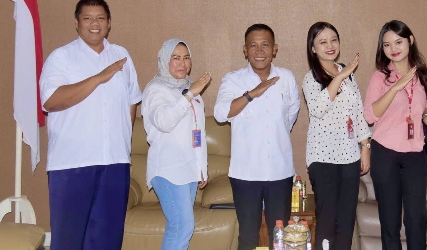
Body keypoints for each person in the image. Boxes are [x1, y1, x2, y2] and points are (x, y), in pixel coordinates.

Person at [39, 0, 142, 250]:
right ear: (77, 23)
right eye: (87, 18)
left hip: (114, 163)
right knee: (69, 241)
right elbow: (51, 101)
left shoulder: (121, 55)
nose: (94, 24)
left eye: (100, 18)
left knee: (108, 240)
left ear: (109, 23)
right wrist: (99, 77)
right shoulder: (61, 57)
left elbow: (132, 101)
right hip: (72, 165)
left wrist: (122, 143)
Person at [214, 24, 301, 250]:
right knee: (248, 236)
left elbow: (290, 117)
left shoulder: (287, 78)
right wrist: (252, 94)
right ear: (245, 50)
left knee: (279, 236)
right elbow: (221, 113)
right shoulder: (233, 80)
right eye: (253, 45)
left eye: (265, 45)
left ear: (275, 49)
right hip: (246, 173)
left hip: (280, 172)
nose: (259, 50)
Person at [363, 20, 427, 250]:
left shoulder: (426, 74)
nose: (393, 49)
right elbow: (370, 116)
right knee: (390, 221)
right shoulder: (380, 77)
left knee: (417, 218)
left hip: (415, 153)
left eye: (398, 42)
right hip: (385, 153)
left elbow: (422, 108)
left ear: (410, 40)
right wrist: (395, 88)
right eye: (387, 45)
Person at [302, 22, 371, 250]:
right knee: (327, 217)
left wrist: (365, 146)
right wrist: (340, 76)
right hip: (322, 157)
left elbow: (358, 112)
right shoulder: (311, 78)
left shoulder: (347, 73)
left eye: (333, 40)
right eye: (323, 42)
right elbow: (318, 109)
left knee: (346, 220)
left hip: (350, 156)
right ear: (313, 48)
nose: (330, 45)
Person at [141, 38, 212, 250]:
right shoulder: (156, 89)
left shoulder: (190, 88)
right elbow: (164, 122)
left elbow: (198, 131)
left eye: (186, 58)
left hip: (189, 169)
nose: (182, 63)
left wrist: (202, 169)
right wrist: (189, 95)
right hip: (168, 169)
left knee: (182, 228)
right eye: (176, 58)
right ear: (165, 60)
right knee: (181, 226)